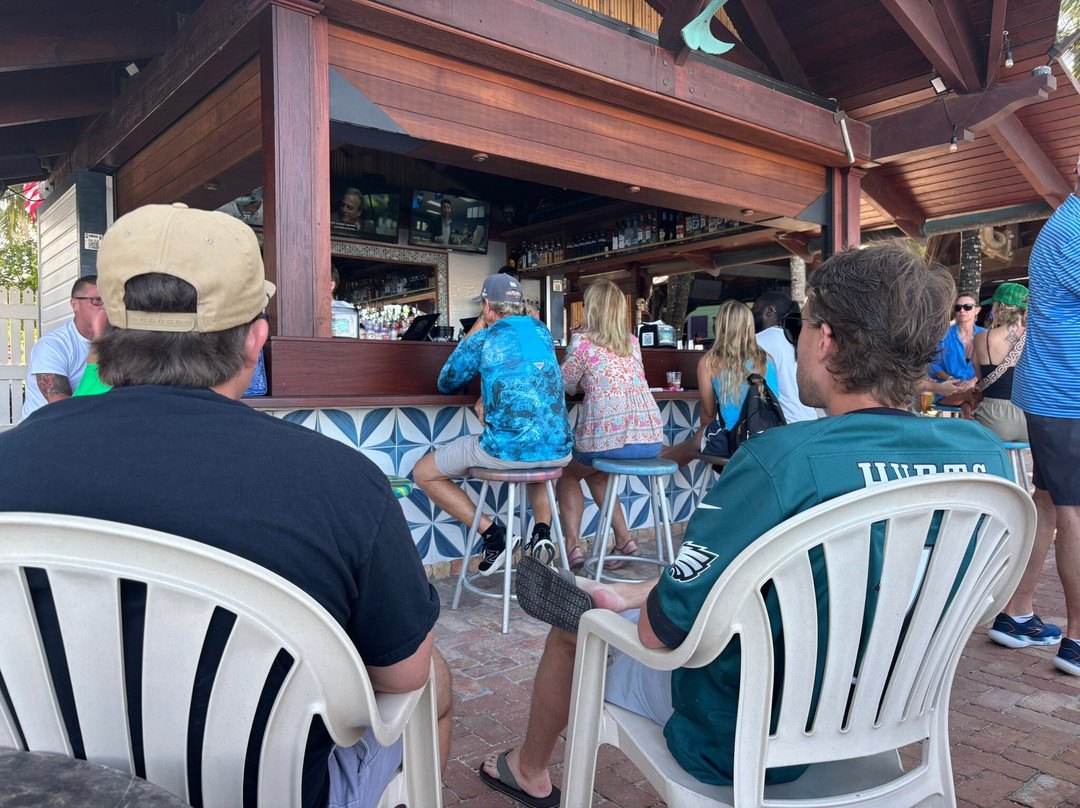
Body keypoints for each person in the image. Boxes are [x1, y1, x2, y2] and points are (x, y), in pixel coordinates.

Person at [477, 240, 1012, 808]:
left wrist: (643, 608)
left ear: (826, 340)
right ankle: (633, 591)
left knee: (578, 627)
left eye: (801, 326)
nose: (794, 340)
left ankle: (529, 772)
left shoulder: (779, 462)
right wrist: (641, 591)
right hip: (882, 713)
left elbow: (660, 635)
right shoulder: (986, 459)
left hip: (742, 737)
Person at [0, 203, 452, 808]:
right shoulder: (342, 484)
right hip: (272, 792)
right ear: (255, 340)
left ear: (101, 330)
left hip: (60, 788)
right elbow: (403, 676)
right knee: (436, 681)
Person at [413, 273, 573, 573]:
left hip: (506, 452)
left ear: (487, 306)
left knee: (423, 473)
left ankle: (495, 537)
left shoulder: (485, 337)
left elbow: (448, 381)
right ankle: (541, 534)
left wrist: (479, 326)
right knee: (536, 455)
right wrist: (487, 394)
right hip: (559, 451)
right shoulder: (542, 332)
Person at [995, 160, 1080, 675]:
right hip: (1065, 393)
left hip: (1055, 391)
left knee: (1049, 504)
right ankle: (1077, 640)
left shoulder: (1067, 224)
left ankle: (1017, 612)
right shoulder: (1073, 230)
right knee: (1073, 512)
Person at [557, 280, 664, 571]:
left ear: (591, 308)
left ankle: (572, 547)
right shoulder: (631, 342)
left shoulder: (582, 342)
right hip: (650, 439)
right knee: (596, 475)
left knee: (569, 473)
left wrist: (575, 343)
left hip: (611, 440)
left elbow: (565, 384)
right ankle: (625, 541)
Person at [697, 299, 779, 441]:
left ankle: (664, 452)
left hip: (736, 440)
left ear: (720, 325)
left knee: (693, 443)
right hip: (769, 438)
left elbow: (708, 414)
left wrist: (708, 441)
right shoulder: (767, 359)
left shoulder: (709, 362)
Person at [20, 275, 100, 422]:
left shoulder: (117, 342)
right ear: (75, 304)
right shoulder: (52, 345)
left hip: (86, 425)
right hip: (42, 428)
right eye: (97, 300)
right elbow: (62, 408)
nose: (105, 307)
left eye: (110, 302)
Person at [972, 283, 1029, 443]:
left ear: (999, 307)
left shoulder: (982, 338)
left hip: (993, 420)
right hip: (1029, 419)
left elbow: (980, 377)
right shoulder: (1037, 338)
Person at [753, 291, 818, 423]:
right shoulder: (797, 339)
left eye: (755, 307)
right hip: (810, 420)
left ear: (770, 311)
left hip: (785, 424)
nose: (751, 312)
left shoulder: (757, 341)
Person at [927, 291, 984, 415]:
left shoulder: (985, 335)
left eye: (967, 307)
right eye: (958, 307)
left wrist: (973, 381)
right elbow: (933, 365)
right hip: (947, 390)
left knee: (971, 397)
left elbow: (990, 365)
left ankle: (966, 418)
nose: (962, 311)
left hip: (975, 388)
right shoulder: (943, 335)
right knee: (973, 395)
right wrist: (951, 380)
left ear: (977, 310)